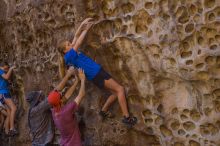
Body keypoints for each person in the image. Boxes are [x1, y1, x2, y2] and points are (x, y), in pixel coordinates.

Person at [58, 18, 137, 127]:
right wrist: (86, 29)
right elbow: (79, 41)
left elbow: (76, 37)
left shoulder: (69, 55)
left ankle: (104, 110)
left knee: (115, 93)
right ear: (65, 51)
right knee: (120, 89)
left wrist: (81, 25)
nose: (70, 44)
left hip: (95, 75)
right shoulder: (70, 55)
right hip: (96, 73)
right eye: (68, 44)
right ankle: (127, 118)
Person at [48, 67, 85, 146]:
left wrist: (76, 82)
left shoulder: (54, 111)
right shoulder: (67, 110)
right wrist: (82, 79)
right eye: (60, 95)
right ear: (60, 101)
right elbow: (81, 95)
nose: (62, 94)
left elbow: (65, 97)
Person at [0, 62, 17, 135]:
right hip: (4, 93)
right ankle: (12, 128)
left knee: (9, 112)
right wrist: (11, 68)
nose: (6, 70)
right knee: (14, 108)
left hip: (3, 94)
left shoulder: (2, 71)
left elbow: (7, 79)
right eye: (6, 68)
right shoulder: (0, 71)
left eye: (7, 68)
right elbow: (6, 77)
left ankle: (7, 131)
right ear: (2, 66)